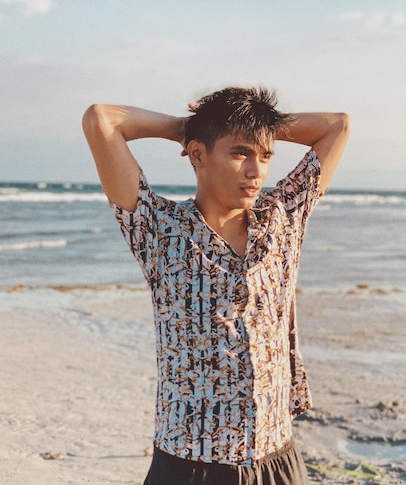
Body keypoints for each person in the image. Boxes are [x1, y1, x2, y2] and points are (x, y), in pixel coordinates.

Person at [82, 86, 350, 485]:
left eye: (265, 155)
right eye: (240, 152)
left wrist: (259, 126)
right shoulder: (158, 229)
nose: (256, 170)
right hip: (190, 462)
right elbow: (101, 120)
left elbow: (337, 126)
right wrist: (186, 128)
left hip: (275, 456)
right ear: (198, 155)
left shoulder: (284, 217)